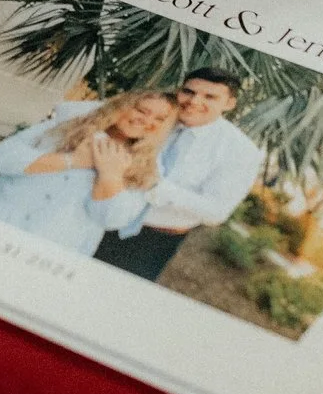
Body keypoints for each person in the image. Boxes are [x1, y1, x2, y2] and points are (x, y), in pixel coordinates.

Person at [95, 67, 265, 282]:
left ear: (229, 103)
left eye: (210, 96)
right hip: (100, 211)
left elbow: (216, 211)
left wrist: (156, 187)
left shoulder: (240, 151)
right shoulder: (155, 116)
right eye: (189, 92)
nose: (194, 101)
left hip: (149, 241)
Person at [0, 90, 180, 256]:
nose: (148, 121)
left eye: (160, 119)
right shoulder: (67, 126)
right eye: (142, 110)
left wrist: (110, 177)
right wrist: (72, 160)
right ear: (121, 106)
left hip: (50, 246)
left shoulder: (149, 168)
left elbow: (113, 219)